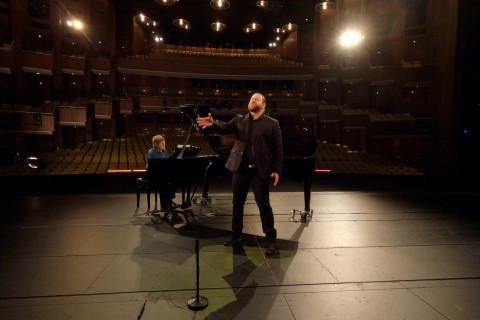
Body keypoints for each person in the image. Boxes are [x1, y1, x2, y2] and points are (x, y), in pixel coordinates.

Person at [197, 93, 283, 255]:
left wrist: (277, 170)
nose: (252, 100)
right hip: (241, 168)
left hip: (260, 170)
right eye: (251, 98)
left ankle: (271, 240)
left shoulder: (272, 124)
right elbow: (223, 128)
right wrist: (213, 123)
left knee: (264, 206)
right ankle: (236, 235)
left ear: (264, 105)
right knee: (237, 204)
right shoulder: (239, 119)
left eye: (256, 99)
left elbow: (278, 150)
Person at [146, 135, 175, 217]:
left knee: (174, 180)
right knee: (164, 184)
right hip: (154, 175)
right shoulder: (151, 152)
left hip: (163, 174)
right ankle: (164, 208)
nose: (164, 144)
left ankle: (169, 199)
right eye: (162, 143)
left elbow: (168, 164)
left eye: (164, 142)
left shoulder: (165, 151)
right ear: (156, 144)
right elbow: (149, 166)